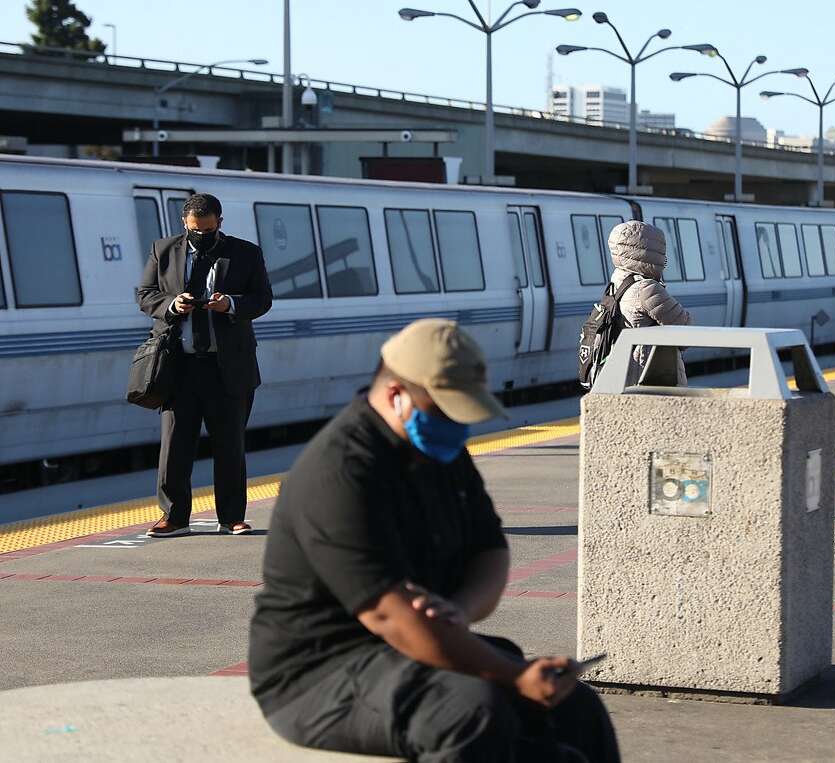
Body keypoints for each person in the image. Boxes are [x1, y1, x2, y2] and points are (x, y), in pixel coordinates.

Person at [248, 319, 620, 762]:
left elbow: (490, 551)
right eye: (445, 411)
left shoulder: (439, 451)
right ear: (395, 395)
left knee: (575, 706)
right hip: (318, 675)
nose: (457, 427)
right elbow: (393, 619)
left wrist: (458, 609)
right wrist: (516, 677)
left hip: (406, 652)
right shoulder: (339, 472)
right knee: (470, 713)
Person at [135, 193, 273, 538]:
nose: (202, 235)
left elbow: (262, 299)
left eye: (209, 230)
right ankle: (174, 517)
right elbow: (144, 294)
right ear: (185, 223)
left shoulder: (245, 253)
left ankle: (231, 518)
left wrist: (230, 304)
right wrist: (171, 304)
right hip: (178, 365)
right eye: (196, 230)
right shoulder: (163, 250)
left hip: (227, 366)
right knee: (175, 444)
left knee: (230, 445)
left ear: (220, 223)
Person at [606, 221, 692, 385]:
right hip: (649, 377)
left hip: (623, 375)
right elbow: (686, 332)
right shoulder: (646, 288)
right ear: (653, 252)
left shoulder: (617, 283)